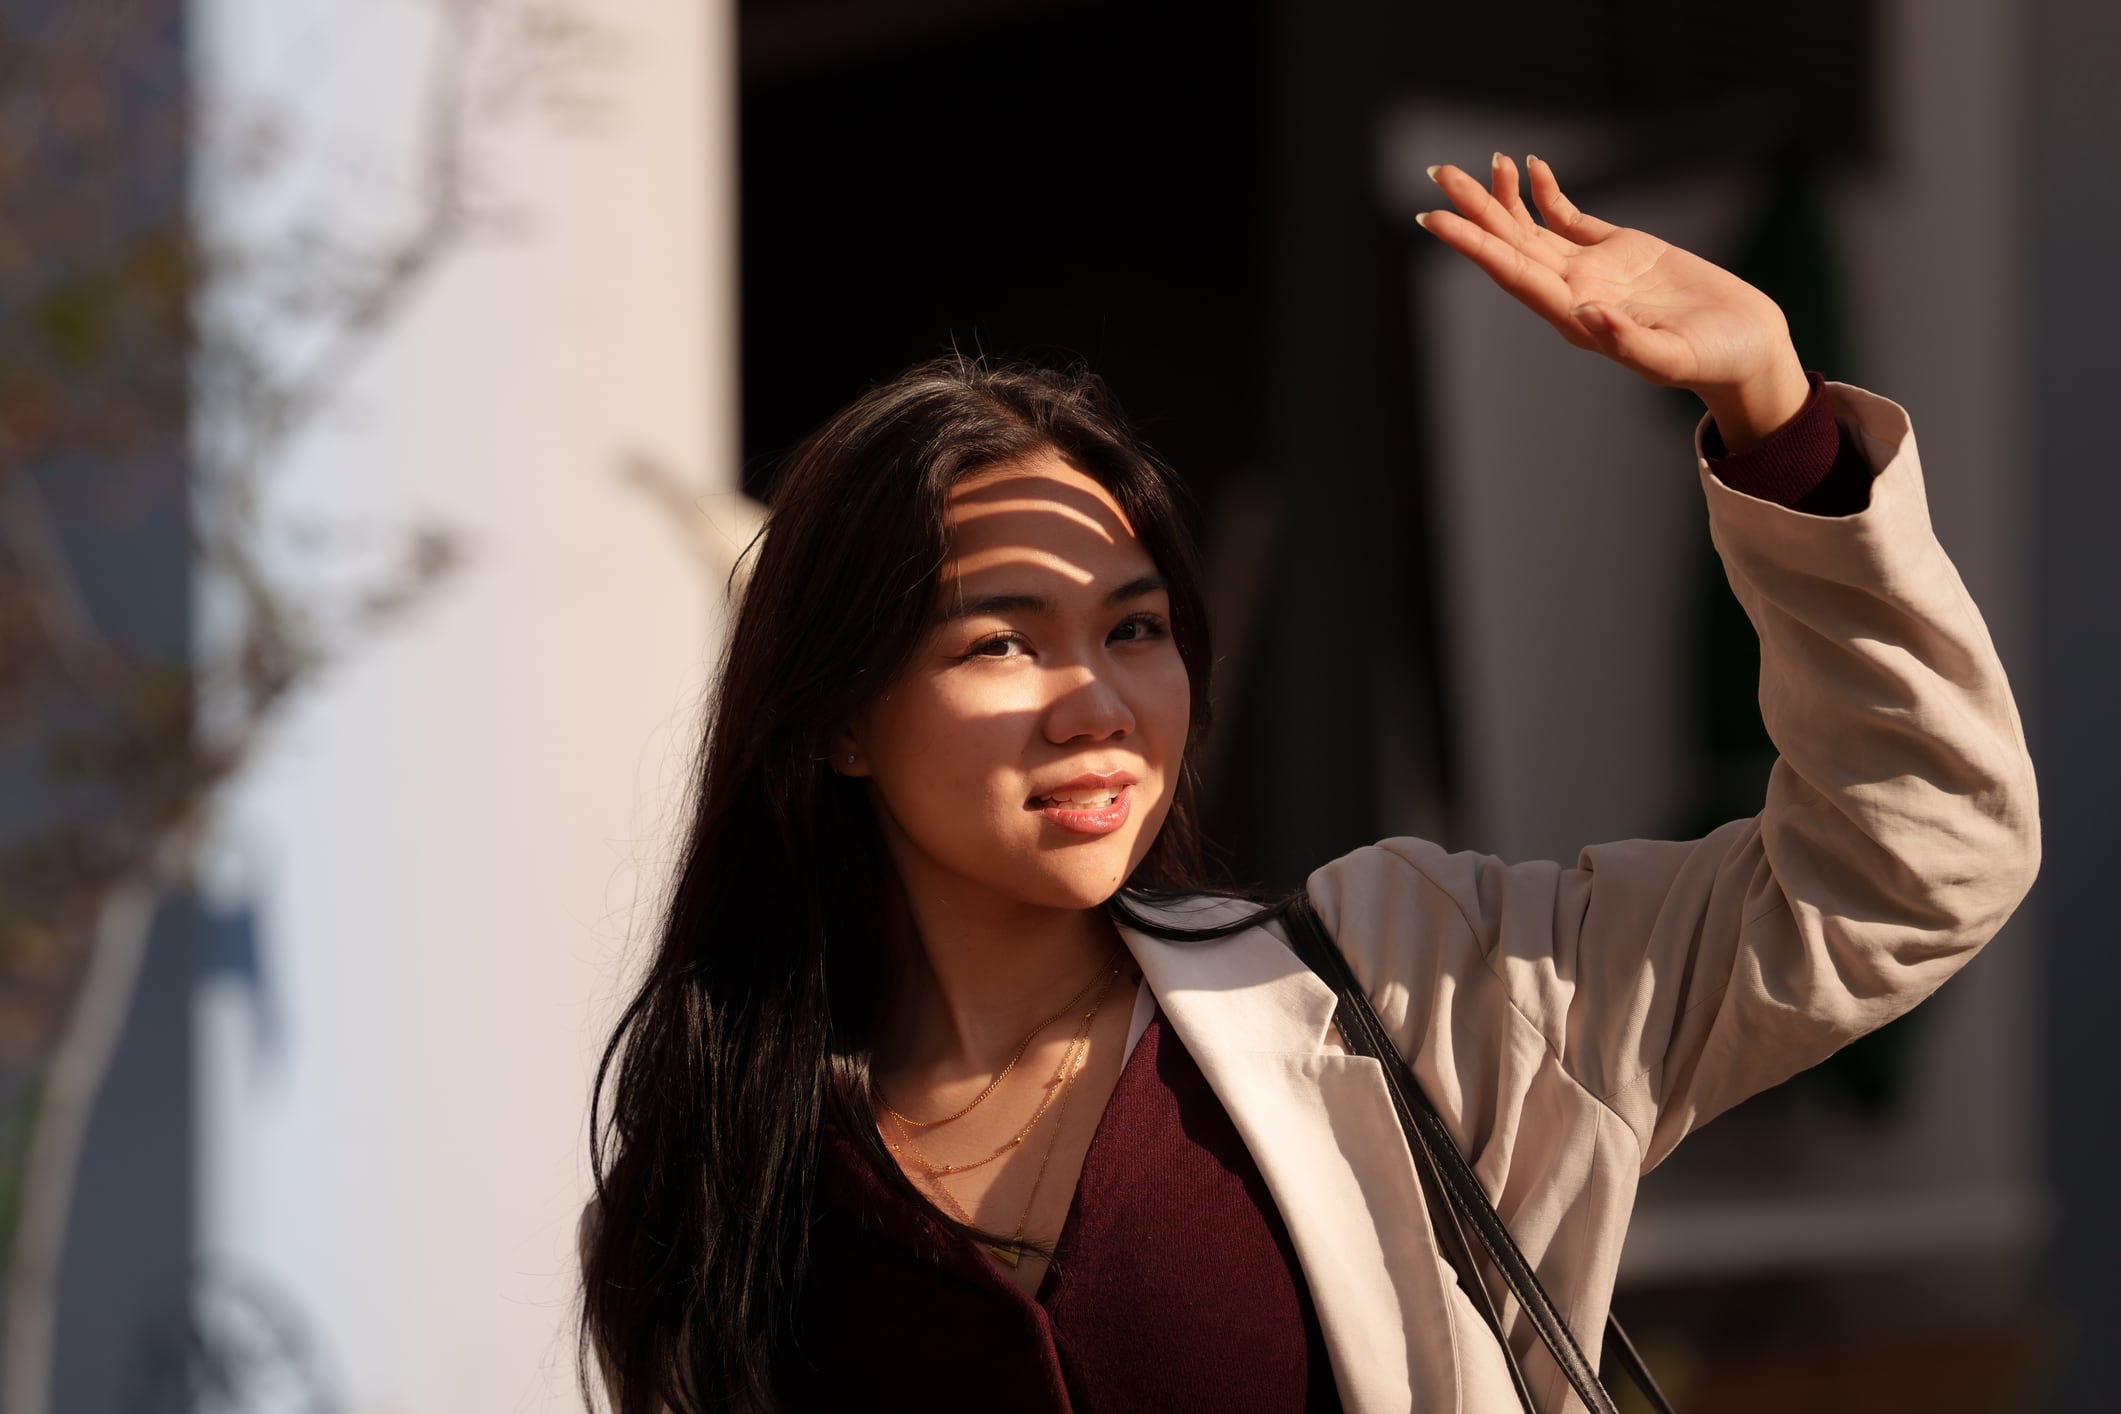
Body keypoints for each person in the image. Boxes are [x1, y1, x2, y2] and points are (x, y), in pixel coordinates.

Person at [576, 154, 2039, 1414]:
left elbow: (1910, 861)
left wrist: (1774, 416)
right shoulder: (727, 1183)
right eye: (1001, 640)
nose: (1094, 701)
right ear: (837, 715)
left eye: (1133, 629)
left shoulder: (1423, 992)